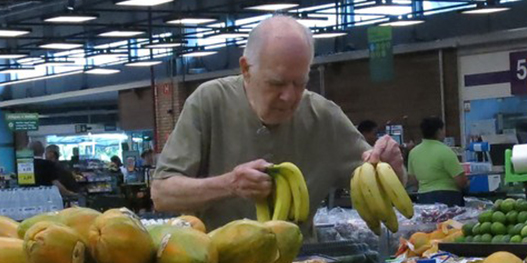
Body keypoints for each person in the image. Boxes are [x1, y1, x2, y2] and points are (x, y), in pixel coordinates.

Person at [151, 15, 404, 231]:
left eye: (300, 83)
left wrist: (392, 169)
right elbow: (162, 194)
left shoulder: (324, 117)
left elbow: (383, 194)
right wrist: (229, 184)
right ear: (246, 69)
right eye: (277, 83)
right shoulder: (209, 102)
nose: (290, 96)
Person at [407, 117, 467, 207]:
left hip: (424, 199)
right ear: (439, 131)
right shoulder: (445, 151)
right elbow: (461, 181)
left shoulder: (413, 152)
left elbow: (413, 180)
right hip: (448, 198)